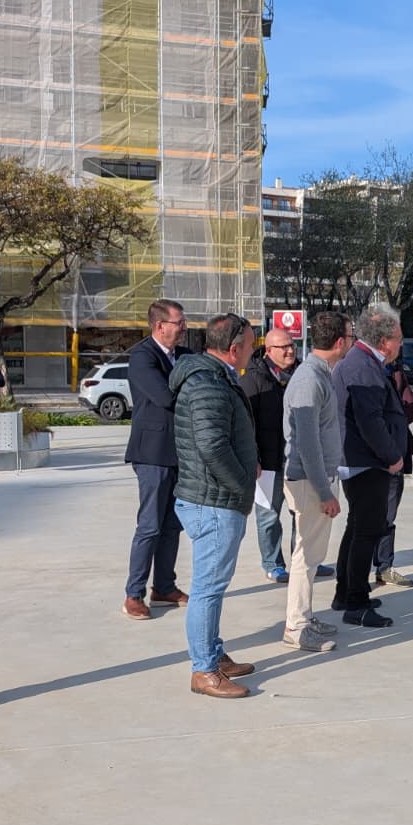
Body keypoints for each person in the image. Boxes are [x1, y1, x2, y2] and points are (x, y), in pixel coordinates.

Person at [170, 313, 260, 697]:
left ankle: (213, 654)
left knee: (214, 586)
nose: (253, 351)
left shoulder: (214, 377)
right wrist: (242, 484)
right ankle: (204, 670)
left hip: (213, 497)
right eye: (251, 345)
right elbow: (212, 446)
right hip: (214, 501)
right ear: (234, 348)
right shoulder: (207, 383)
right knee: (207, 588)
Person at [331, 302, 409, 629]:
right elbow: (370, 421)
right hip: (366, 462)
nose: (400, 344)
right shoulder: (363, 366)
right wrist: (392, 456)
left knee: (356, 528)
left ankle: (345, 592)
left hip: (359, 461)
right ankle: (357, 604)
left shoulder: (363, 360)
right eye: (399, 339)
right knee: (366, 532)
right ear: (384, 341)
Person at [280, 312, 351, 652]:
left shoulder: (319, 373)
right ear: (339, 342)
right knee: (306, 555)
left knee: (310, 554)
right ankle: (296, 626)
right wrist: (325, 492)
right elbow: (307, 444)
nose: (351, 342)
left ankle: (304, 617)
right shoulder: (310, 379)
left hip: (318, 479)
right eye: (350, 337)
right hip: (310, 481)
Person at [122, 299, 190, 620]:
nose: (184, 328)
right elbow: (164, 397)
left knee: (172, 525)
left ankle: (164, 586)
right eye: (179, 323)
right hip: (152, 453)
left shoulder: (183, 355)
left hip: (179, 452)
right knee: (150, 525)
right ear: (160, 326)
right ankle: (133, 594)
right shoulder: (142, 357)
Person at [242, 326, 298, 583]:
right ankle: (273, 563)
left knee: (302, 513)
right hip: (267, 461)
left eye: (291, 345)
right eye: (283, 347)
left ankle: (303, 560)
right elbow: (246, 423)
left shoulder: (300, 374)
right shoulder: (253, 379)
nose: (290, 351)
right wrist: (253, 457)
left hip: (296, 458)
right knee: (268, 514)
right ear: (268, 350)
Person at [372, 350, 413, 589]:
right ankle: (355, 574)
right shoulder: (362, 369)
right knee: (364, 518)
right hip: (368, 459)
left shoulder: (395, 371)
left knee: (388, 516)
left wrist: (394, 422)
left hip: (396, 455)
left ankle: (384, 567)